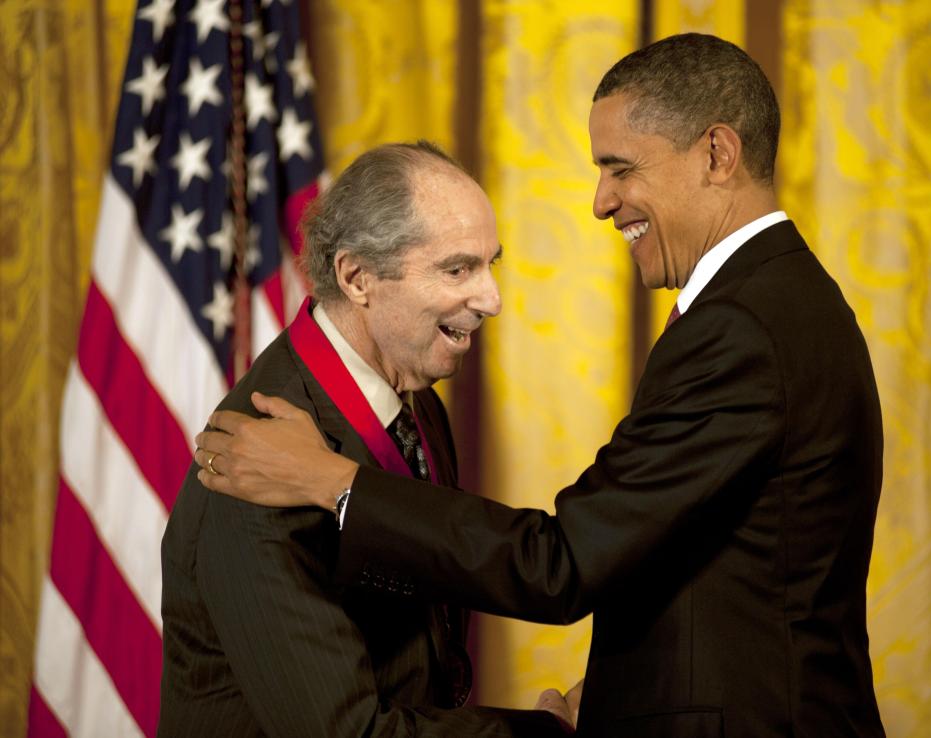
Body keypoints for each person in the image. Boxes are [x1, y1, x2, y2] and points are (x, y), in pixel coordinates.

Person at [195, 34, 886, 737]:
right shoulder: (778, 301)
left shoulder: (743, 326)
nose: (600, 201)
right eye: (458, 270)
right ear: (356, 277)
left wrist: (338, 484)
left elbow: (561, 564)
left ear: (716, 154)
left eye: (620, 168)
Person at [159, 141, 572, 736]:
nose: (492, 300)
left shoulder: (417, 401)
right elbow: (348, 732)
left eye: (491, 264)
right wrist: (549, 733)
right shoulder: (255, 466)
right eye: (458, 269)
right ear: (356, 277)